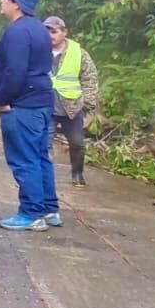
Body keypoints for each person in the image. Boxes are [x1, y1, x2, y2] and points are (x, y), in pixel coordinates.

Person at [0, 0, 59, 231]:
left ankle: (31, 213)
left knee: (24, 159)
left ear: (16, 3)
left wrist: (3, 99)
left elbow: (15, 70)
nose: (1, 2)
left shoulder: (18, 31)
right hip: (41, 100)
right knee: (40, 156)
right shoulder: (40, 29)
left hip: (22, 105)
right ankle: (49, 208)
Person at [43, 16, 100, 187]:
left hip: (72, 108)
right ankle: (45, 177)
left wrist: (88, 102)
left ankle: (77, 173)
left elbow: (90, 77)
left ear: (64, 32)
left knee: (77, 143)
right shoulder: (38, 50)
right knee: (44, 144)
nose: (50, 36)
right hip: (46, 106)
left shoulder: (78, 53)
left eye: (54, 32)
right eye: (46, 32)